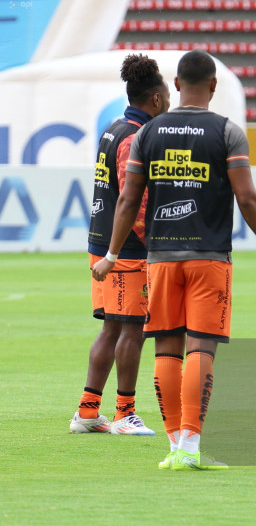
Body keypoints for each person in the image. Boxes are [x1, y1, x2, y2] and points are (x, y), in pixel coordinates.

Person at [92, 49, 256, 469]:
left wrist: (110, 254)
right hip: (209, 257)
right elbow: (247, 197)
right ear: (213, 85)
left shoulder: (148, 133)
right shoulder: (227, 132)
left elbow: (128, 199)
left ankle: (175, 446)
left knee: (166, 348)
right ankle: (191, 449)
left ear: (176, 85)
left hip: (159, 259)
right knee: (201, 348)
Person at [70, 54, 170, 436]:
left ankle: (87, 413)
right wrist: (155, 246)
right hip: (125, 250)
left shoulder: (113, 128)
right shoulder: (135, 137)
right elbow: (135, 201)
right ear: (157, 99)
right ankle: (125, 413)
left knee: (112, 329)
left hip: (103, 242)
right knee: (131, 329)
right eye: (167, 98)